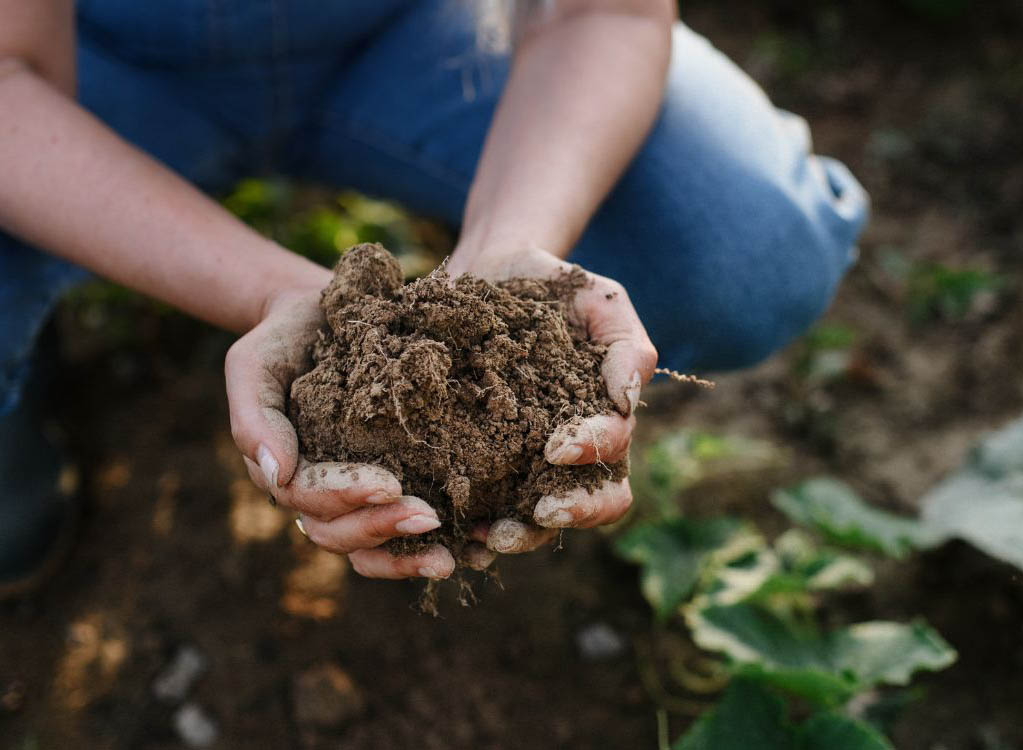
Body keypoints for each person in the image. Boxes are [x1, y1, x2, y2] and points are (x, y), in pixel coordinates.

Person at [0, 0, 868, 596]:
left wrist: (506, 248)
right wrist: (272, 291)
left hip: (412, 31)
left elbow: (602, 11)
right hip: (95, 57)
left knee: (743, 255)